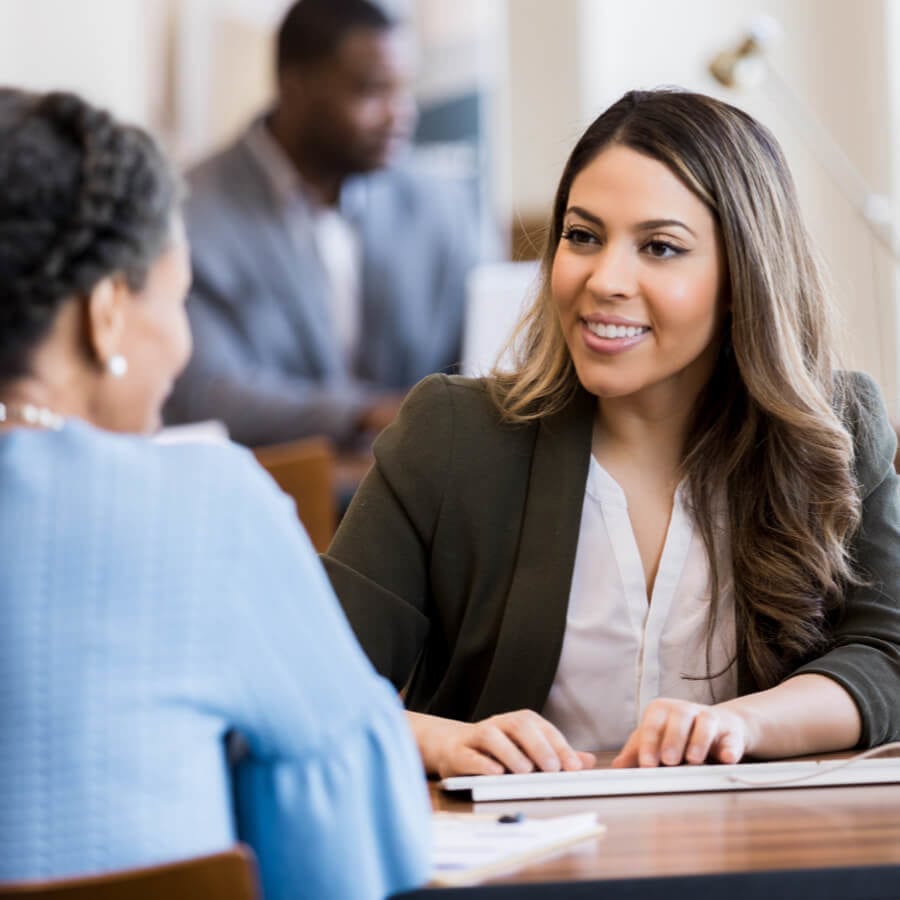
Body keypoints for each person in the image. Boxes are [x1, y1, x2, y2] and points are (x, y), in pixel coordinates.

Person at [323, 88, 900, 778]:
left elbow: (888, 653)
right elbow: (306, 679)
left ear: (742, 276)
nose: (605, 279)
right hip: (519, 862)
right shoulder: (451, 435)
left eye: (659, 247)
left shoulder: (836, 427)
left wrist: (738, 723)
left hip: (761, 853)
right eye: (582, 236)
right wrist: (435, 739)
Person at [0, 88, 430, 900]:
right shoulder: (206, 507)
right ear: (104, 314)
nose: (183, 339)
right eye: (175, 297)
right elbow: (345, 857)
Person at [163, 0, 482, 448]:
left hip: (426, 490)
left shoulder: (438, 206)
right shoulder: (190, 213)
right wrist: (363, 413)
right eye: (373, 92)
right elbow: (207, 392)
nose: (401, 114)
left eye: (404, 90)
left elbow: (484, 353)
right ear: (294, 86)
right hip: (275, 486)